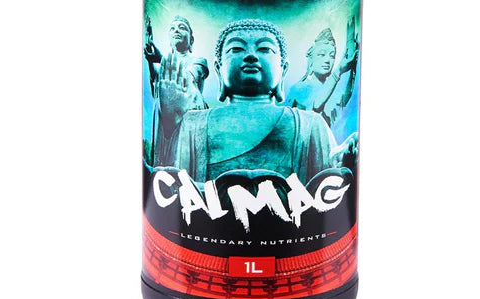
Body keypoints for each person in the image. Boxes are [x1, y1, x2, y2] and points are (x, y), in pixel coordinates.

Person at [157, 18, 357, 183]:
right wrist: (171, 121)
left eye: (264, 49)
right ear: (218, 70)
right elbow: (170, 186)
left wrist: (345, 159)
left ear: (283, 70)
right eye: (236, 49)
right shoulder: (193, 124)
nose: (251, 55)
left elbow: (328, 184)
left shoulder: (311, 125)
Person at [144, 14, 208, 163]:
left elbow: (186, 80)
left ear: (191, 40)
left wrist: (160, 59)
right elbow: (157, 89)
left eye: (182, 27)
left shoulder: (198, 61)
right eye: (172, 28)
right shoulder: (164, 66)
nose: (176, 30)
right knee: (166, 162)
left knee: (185, 161)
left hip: (189, 118)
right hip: (166, 122)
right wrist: (150, 57)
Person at [286, 18, 359, 126]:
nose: (327, 60)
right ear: (311, 58)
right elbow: (316, 106)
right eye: (322, 54)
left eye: (332, 56)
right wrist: (339, 70)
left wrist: (352, 67)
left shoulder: (333, 89)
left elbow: (344, 100)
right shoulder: (300, 88)